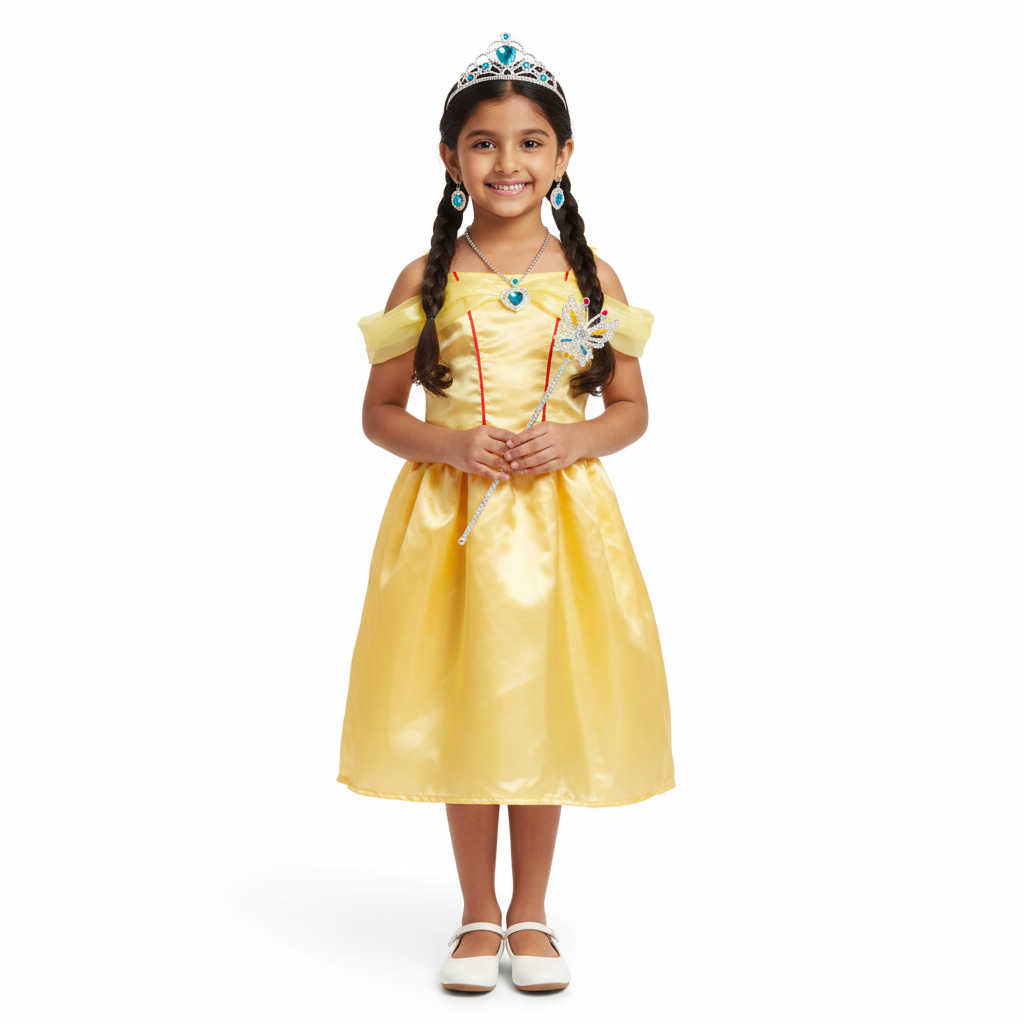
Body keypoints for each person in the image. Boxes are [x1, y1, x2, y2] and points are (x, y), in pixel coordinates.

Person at [337, 33, 674, 993]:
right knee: (468, 702)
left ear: (563, 157)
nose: (507, 162)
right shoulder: (423, 279)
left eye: (530, 143)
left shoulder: (593, 277)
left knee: (538, 703)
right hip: (451, 529)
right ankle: (477, 911)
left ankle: (531, 910)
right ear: (450, 158)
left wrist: (576, 438)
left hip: (560, 528)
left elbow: (632, 408)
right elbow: (379, 413)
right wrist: (450, 444)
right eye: (483, 143)